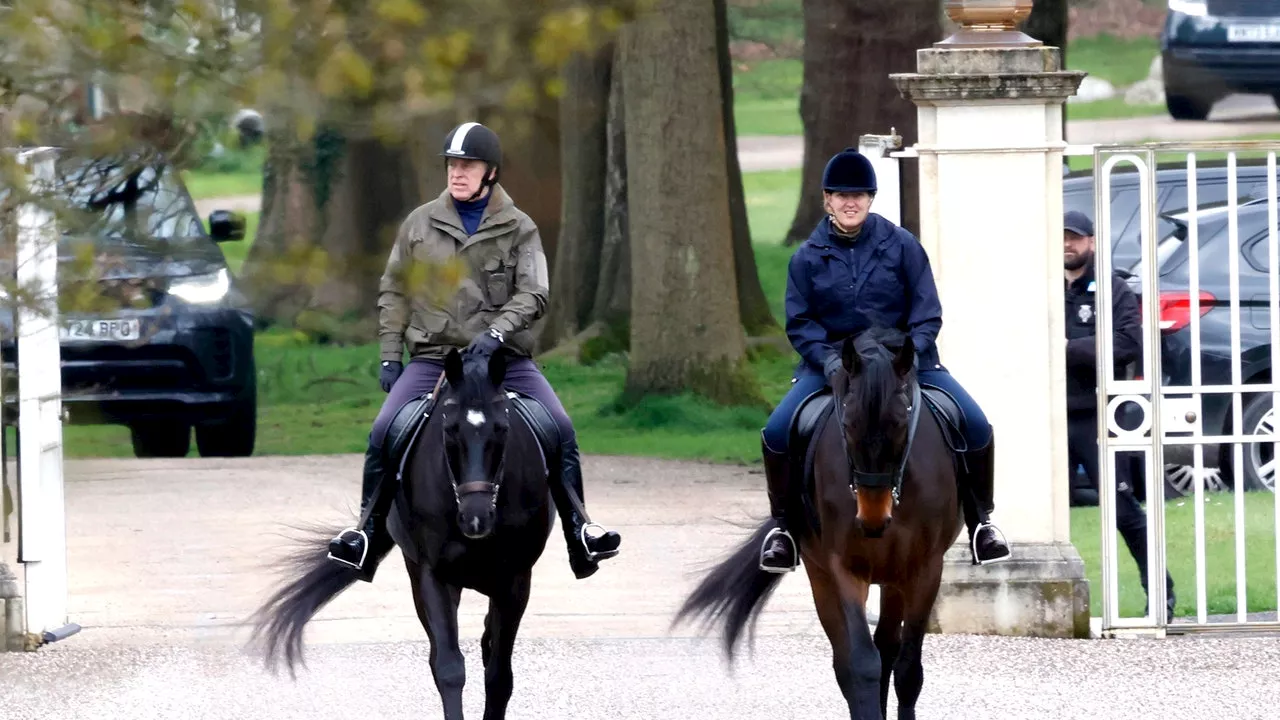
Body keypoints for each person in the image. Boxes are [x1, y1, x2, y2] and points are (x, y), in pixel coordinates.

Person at [327, 121, 622, 582]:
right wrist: (390, 354)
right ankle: (364, 535)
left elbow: (535, 293)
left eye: (468, 165)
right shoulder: (419, 224)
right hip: (432, 358)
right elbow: (393, 292)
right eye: (452, 164)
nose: (457, 173)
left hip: (504, 363)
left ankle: (580, 532)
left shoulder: (520, 227)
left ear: (491, 172)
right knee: (383, 430)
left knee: (561, 428)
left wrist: (498, 334)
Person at [757, 147, 1012, 573]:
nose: (850, 201)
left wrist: (908, 355)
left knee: (975, 423)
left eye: (858, 194)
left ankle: (982, 523)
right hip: (835, 367)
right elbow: (800, 323)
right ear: (827, 199)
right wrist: (830, 361)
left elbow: (927, 311)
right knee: (778, 431)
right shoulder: (806, 257)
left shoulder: (902, 245)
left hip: (907, 364)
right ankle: (782, 528)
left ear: (871, 198)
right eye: (841, 195)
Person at [1063, 209, 1176, 617]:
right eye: (1061, 237)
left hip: (1096, 415)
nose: (1067, 244)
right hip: (1050, 419)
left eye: (1075, 237)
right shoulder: (1042, 286)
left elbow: (1128, 342)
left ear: (1091, 242)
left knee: (1124, 511)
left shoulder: (1112, 290)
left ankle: (1160, 596)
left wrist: (1068, 349)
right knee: (1030, 515)